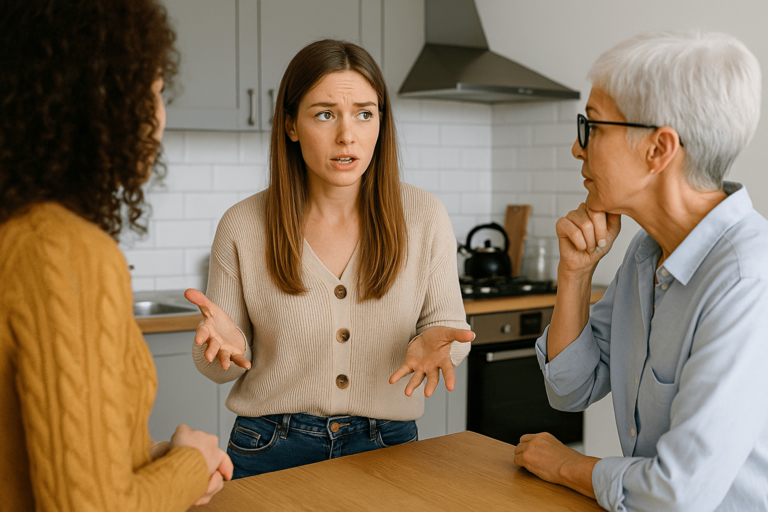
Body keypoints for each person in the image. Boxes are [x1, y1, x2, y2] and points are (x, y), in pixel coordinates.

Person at [184, 39, 475, 479]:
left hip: (387, 445)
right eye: (325, 113)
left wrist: (438, 342)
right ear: (291, 125)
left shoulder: (424, 216)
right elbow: (216, 366)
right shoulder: (243, 224)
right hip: (268, 446)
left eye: (364, 113)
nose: (347, 134)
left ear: (381, 121)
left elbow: (448, 336)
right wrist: (226, 349)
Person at [512, 31, 768, 511]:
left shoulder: (747, 280)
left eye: (592, 127)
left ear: (658, 149)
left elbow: (678, 494)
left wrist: (566, 465)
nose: (576, 148)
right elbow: (571, 389)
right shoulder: (646, 254)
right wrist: (576, 274)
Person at [0, 1, 233, 510]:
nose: (160, 114)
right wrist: (191, 465)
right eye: (154, 91)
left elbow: (38, 456)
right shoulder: (64, 252)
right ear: (103, 103)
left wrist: (157, 459)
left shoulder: (17, 234)